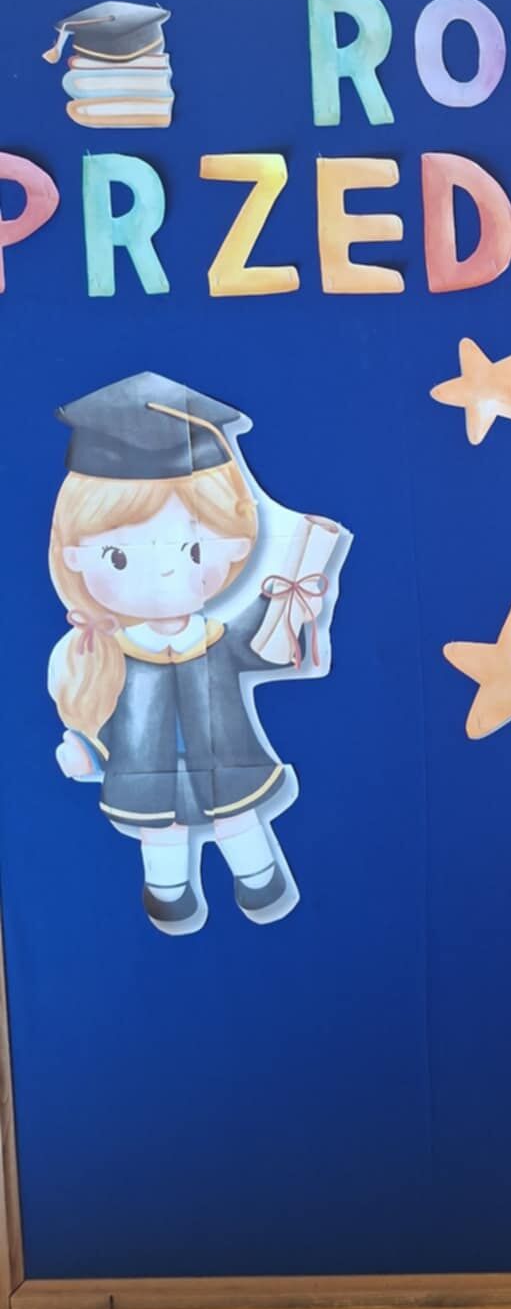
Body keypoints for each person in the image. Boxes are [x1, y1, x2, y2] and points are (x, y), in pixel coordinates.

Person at [48, 371, 343, 936]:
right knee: (162, 833)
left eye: (192, 548)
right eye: (118, 555)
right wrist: (86, 750)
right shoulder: (107, 650)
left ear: (232, 543)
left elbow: (268, 644)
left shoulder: (217, 638)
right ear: (76, 556)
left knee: (237, 821)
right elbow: (97, 702)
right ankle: (169, 892)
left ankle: (259, 878)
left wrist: (292, 601)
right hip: (143, 770)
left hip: (228, 757)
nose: (165, 570)